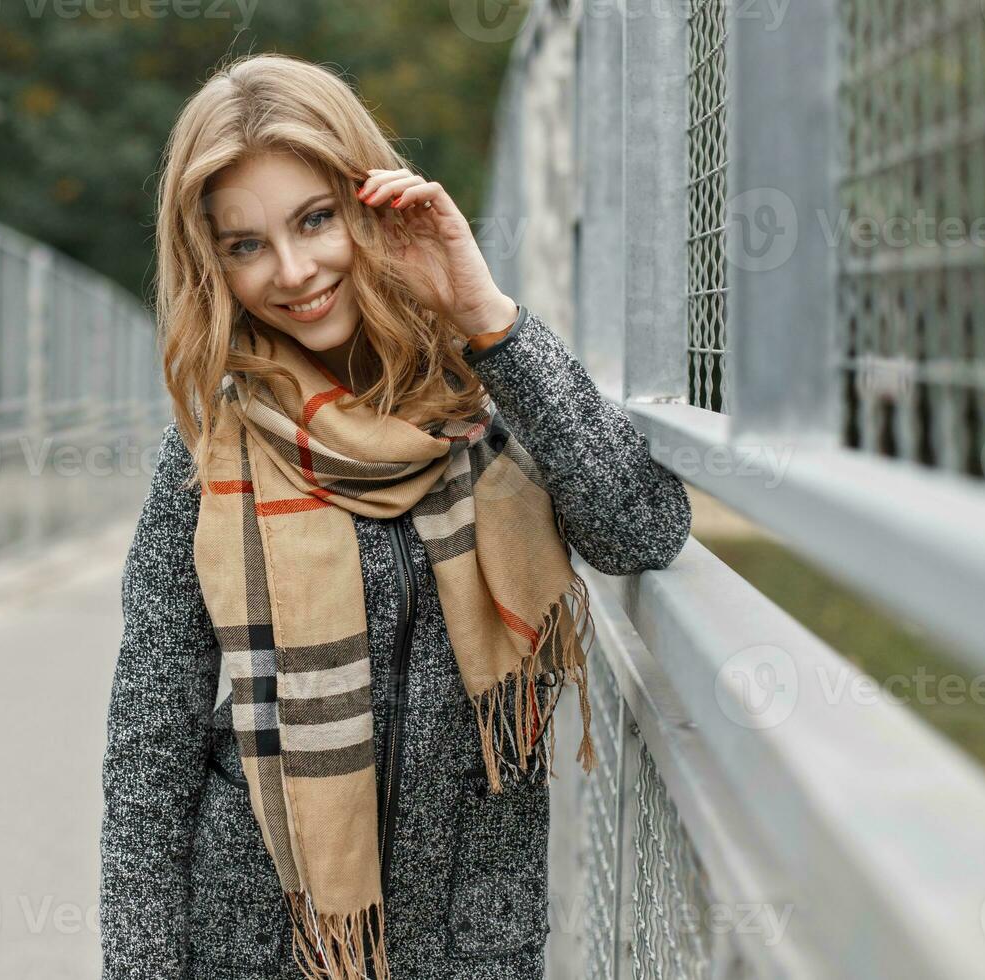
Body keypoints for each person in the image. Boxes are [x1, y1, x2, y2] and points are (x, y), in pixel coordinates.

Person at [100, 52, 691, 980]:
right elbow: (150, 742)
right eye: (245, 244)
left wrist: (486, 316)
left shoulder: (489, 395)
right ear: (210, 259)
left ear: (370, 200)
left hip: (470, 932)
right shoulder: (212, 451)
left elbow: (639, 528)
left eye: (316, 219)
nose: (292, 272)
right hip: (264, 941)